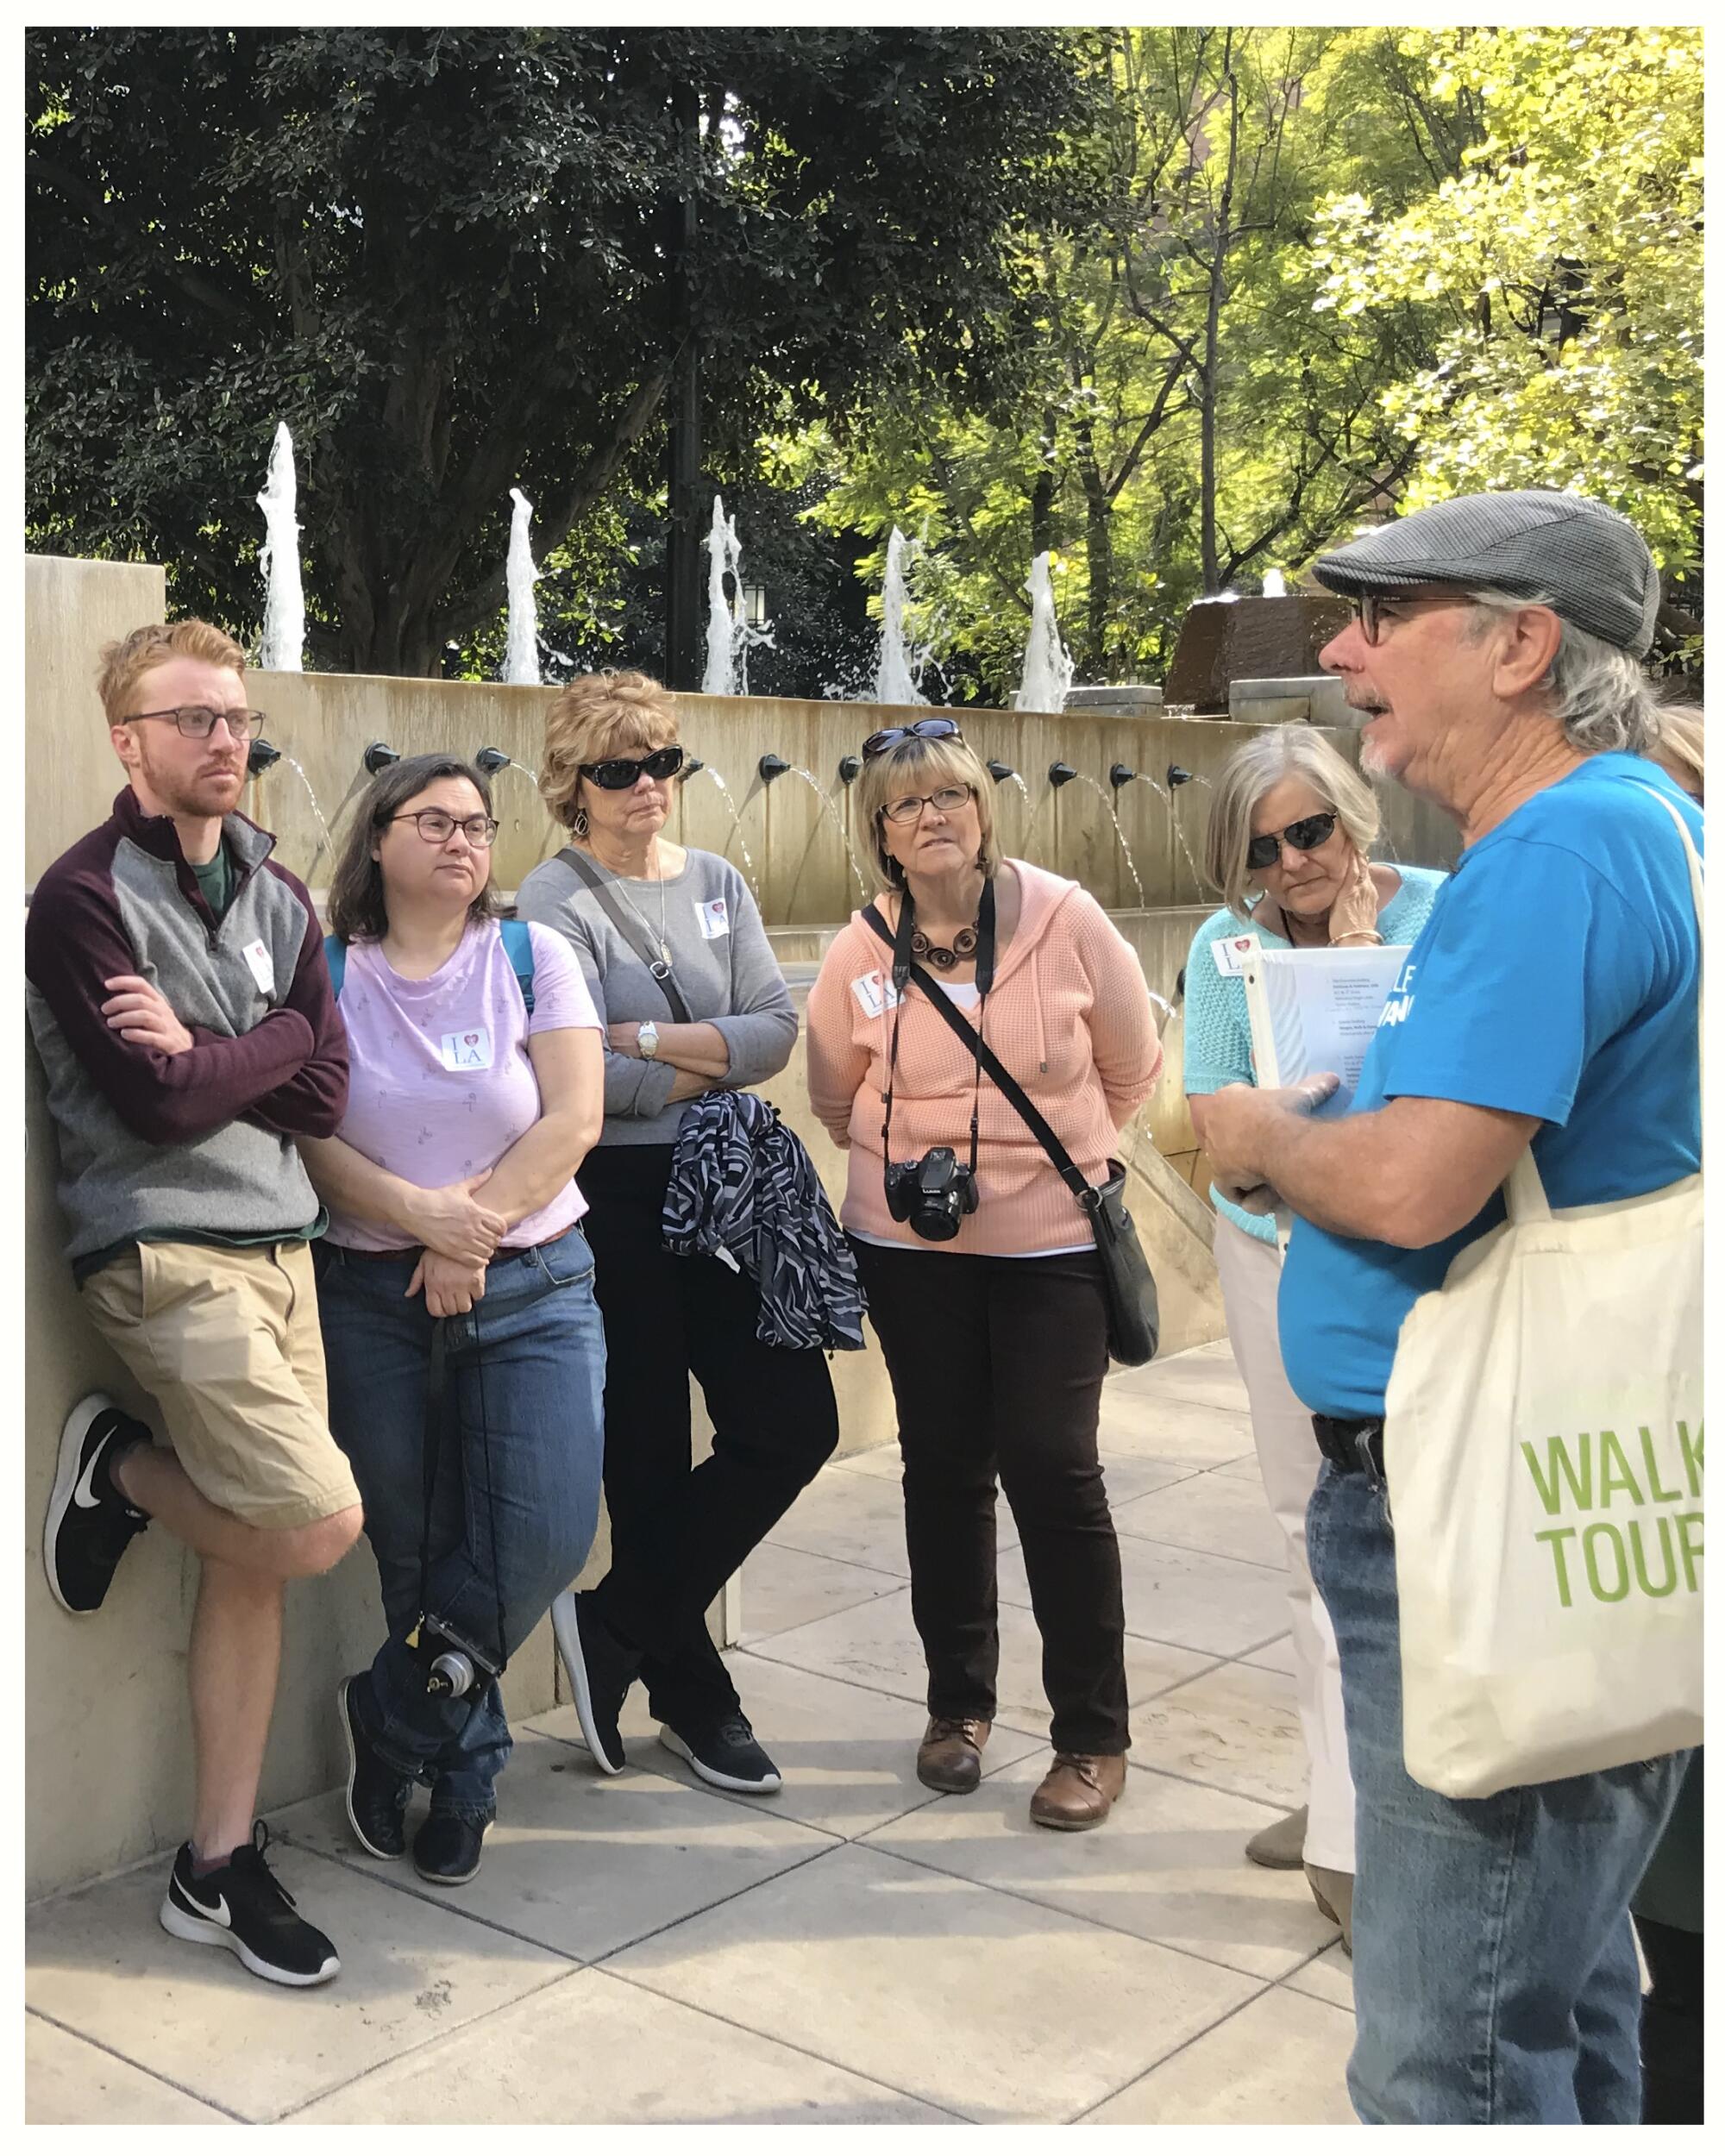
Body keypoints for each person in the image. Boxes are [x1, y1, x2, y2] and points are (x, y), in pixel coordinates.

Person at [1198, 489, 1701, 2123]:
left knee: (1449, 2053)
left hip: (1467, 1512)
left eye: (1380, 616)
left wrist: (1266, 1136)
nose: (1340, 652)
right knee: (1556, 1992)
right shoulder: (1619, 823)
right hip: (1519, 1493)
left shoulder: (1557, 842)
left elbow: (1422, 1188)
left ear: (1520, 644)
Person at [28, 619, 359, 1987]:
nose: (225, 741)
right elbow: (156, 1106)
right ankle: (119, 1472)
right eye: (192, 721)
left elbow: (329, 1091)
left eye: (235, 719)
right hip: (165, 1252)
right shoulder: (81, 898)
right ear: (129, 740)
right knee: (317, 1524)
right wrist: (266, 1050)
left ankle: (211, 1865)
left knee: (254, 1556)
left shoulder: (279, 888)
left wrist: (238, 1043)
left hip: (285, 1249)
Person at [806, 718, 1162, 1829]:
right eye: (910, 806)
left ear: (983, 809)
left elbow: (1131, 1068)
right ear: (883, 836)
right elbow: (831, 1092)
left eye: (953, 795)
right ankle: (957, 1708)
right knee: (944, 1469)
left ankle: (1091, 1736)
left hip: (1052, 1242)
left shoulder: (1066, 917)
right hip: (911, 1249)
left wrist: (1028, 1164)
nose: (935, 817)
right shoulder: (863, 949)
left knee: (1055, 1473)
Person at [515, 671, 838, 1796]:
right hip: (609, 1200)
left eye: (662, 762)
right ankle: (696, 1700)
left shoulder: (717, 882)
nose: (648, 786)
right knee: (645, 1451)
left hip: (724, 1195)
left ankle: (620, 1623)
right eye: (619, 769)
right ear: (574, 785)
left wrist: (647, 1038)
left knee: (792, 1419)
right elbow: (575, 1077)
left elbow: (775, 1034)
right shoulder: (550, 902)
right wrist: (695, 1057)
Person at [298, 755, 606, 1887]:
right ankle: (467, 1776)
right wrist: (424, 1224)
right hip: (372, 1298)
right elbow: (312, 1137)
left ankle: (391, 1713)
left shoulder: (534, 955)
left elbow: (571, 1119)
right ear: (377, 840)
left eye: (477, 824)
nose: (462, 841)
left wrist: (462, 1234)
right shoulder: (325, 970)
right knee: (418, 1547)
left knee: (545, 1536)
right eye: (433, 821)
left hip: (535, 1290)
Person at [1183, 728, 1446, 1947]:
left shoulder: (1444, 911)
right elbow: (1217, 1130)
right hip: (1278, 1256)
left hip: (1430, 1260)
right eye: (1261, 842)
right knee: (1309, 1534)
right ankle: (1343, 1817)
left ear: (1355, 815)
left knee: (1435, 1544)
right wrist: (1287, 1151)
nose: (1289, 861)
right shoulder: (1224, 947)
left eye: (1311, 831)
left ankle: (1408, 1809)